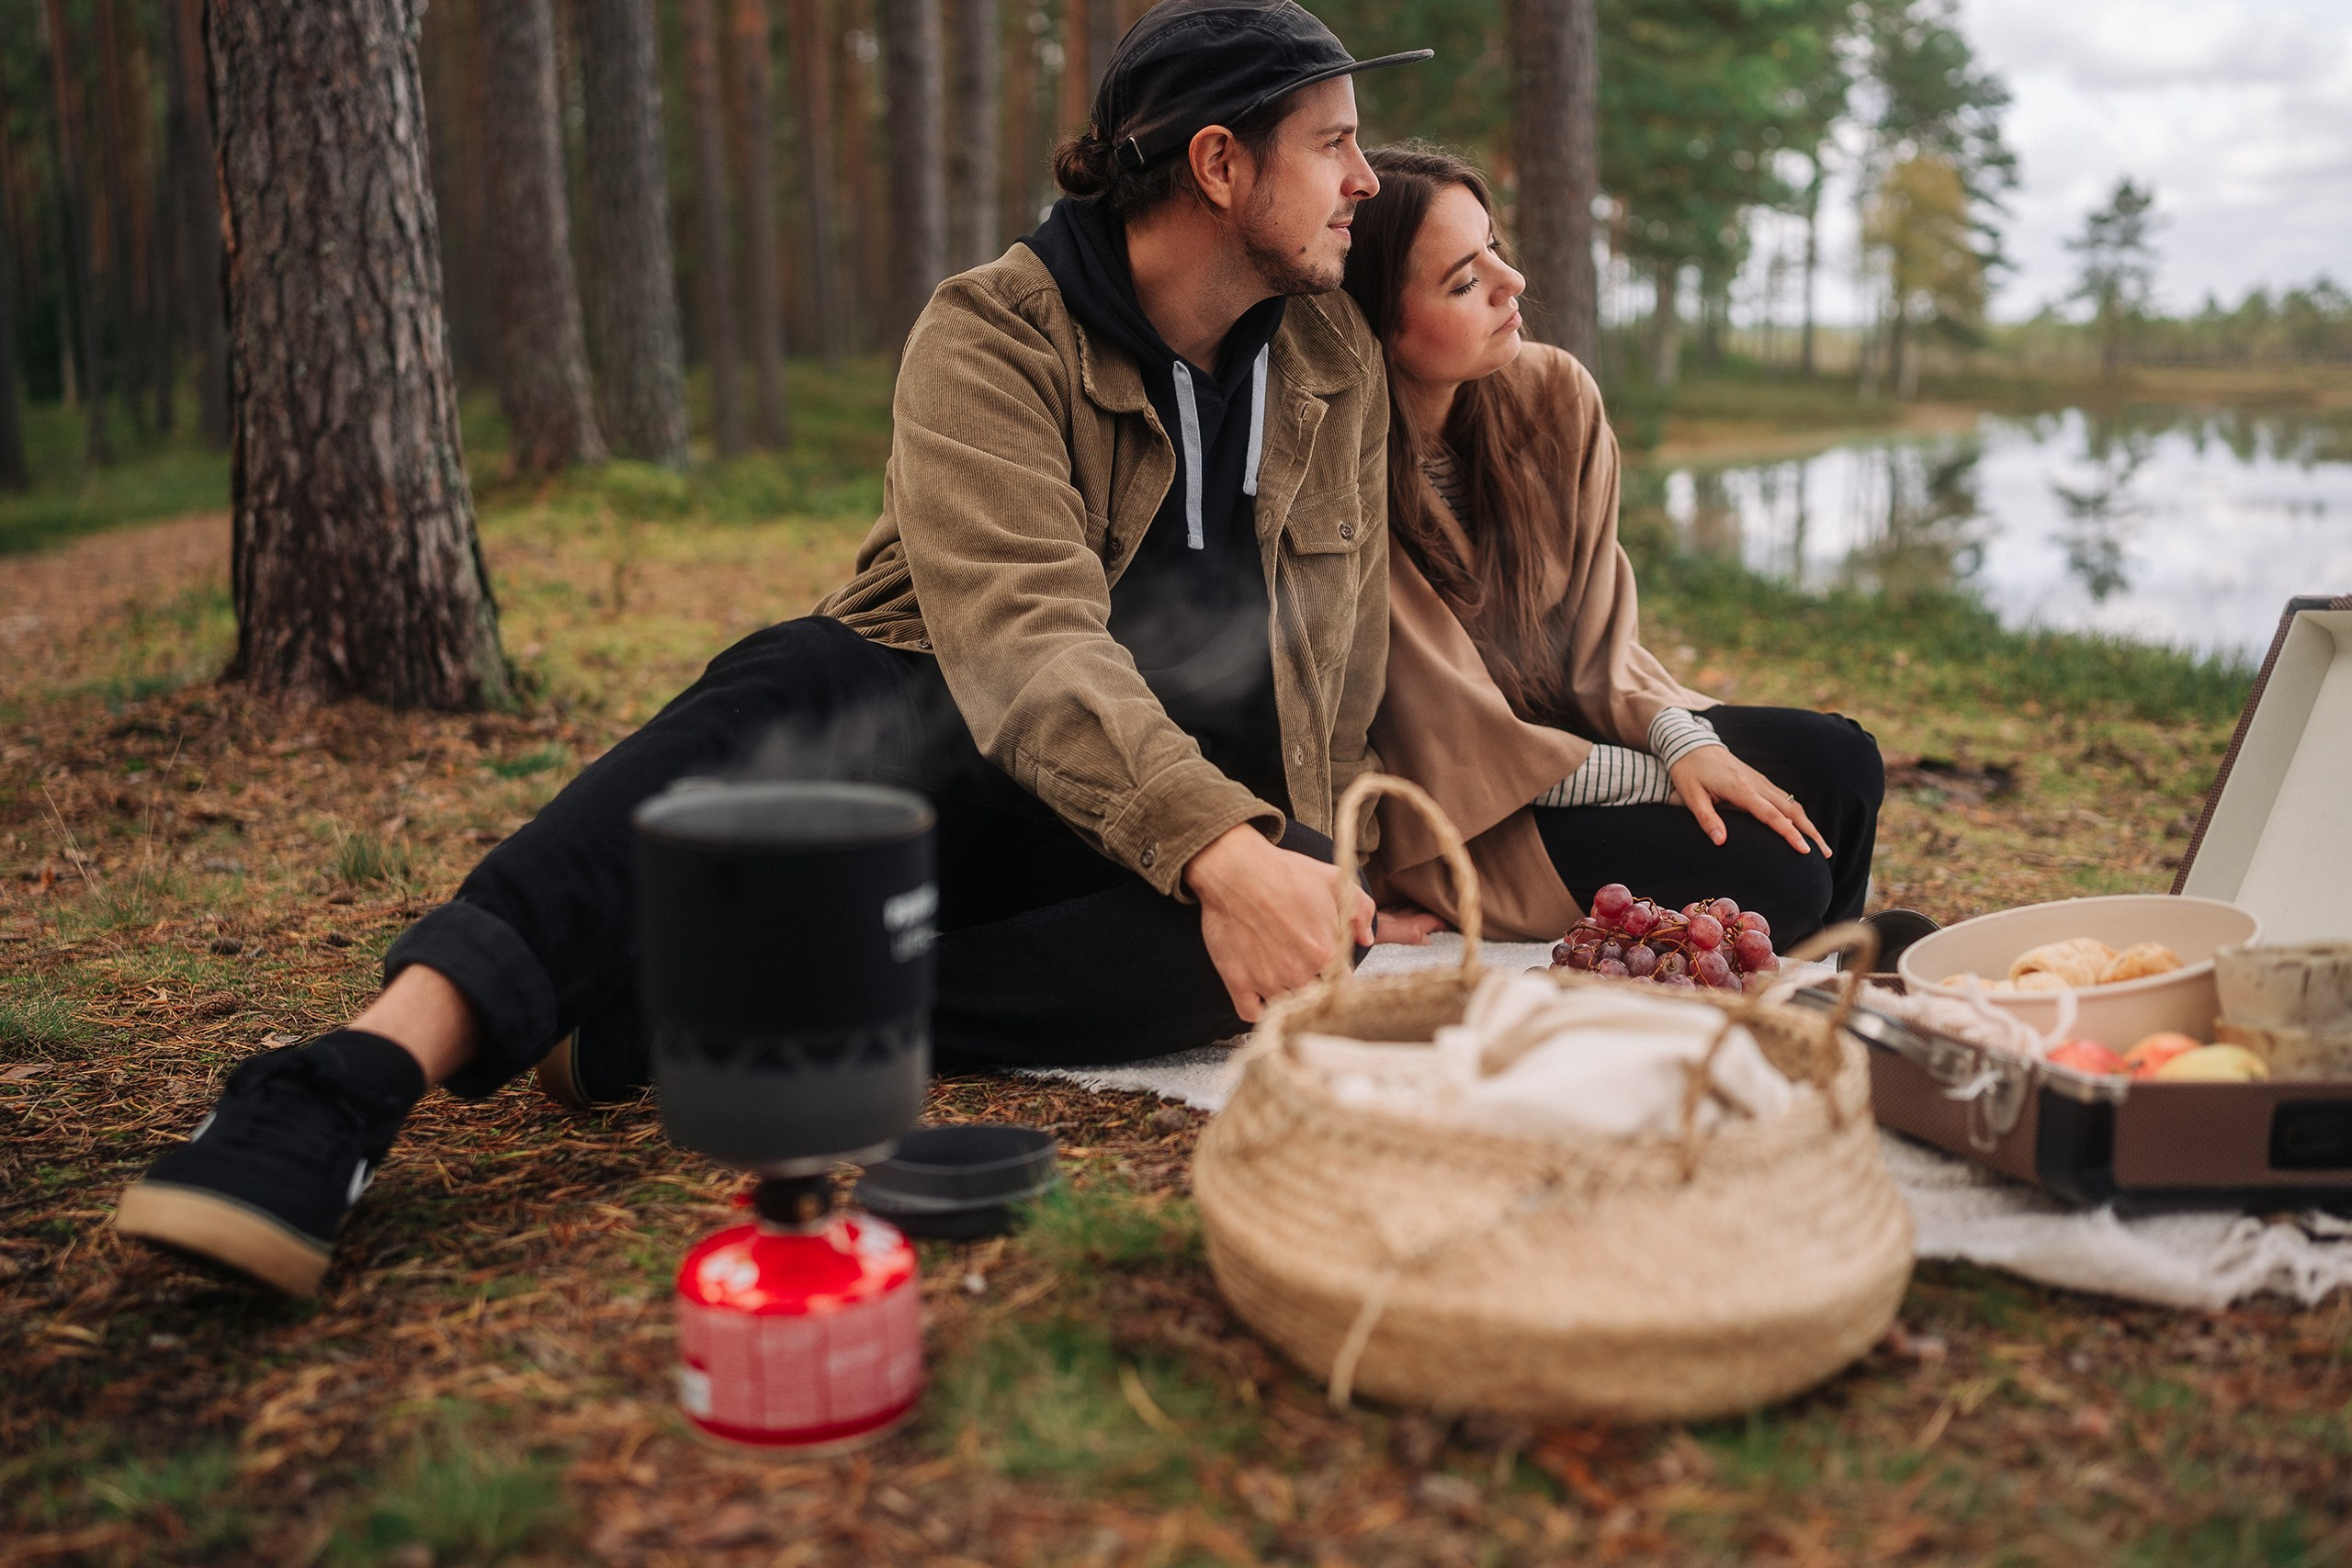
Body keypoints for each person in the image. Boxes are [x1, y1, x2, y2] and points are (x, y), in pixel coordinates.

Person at [116, 0, 1433, 1298]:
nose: (1364, 181)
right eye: (1333, 143)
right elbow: (1022, 645)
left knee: (1306, 908)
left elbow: (1336, 654)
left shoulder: (1329, 354)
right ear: (1217, 163)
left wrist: (1305, 865)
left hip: (1129, 816)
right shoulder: (994, 333)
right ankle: (342, 1082)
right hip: (936, 742)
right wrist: (1222, 851)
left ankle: (684, 1006)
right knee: (806, 688)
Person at [1338, 145, 1883, 945]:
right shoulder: (1341, 481)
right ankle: (1772, 974)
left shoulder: (1552, 396)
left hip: (1586, 729)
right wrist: (1661, 779)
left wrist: (1684, 742)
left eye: (1493, 246)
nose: (1510, 282)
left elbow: (1602, 645)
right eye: (1463, 281)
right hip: (1472, 811)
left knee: (1844, 763)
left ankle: (1818, 984)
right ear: (1380, 329)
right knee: (1782, 880)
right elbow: (1451, 738)